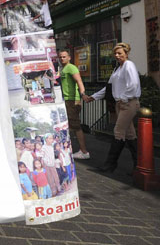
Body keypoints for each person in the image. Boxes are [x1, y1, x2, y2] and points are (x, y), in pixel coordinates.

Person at [83, 42, 141, 173]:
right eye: (115, 53)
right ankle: (138, 166)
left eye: (120, 53)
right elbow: (108, 88)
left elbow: (134, 84)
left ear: (126, 54)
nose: (117, 55)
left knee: (118, 132)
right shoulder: (117, 69)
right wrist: (93, 97)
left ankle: (110, 165)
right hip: (121, 104)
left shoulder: (128, 65)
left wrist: (123, 98)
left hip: (128, 103)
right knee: (130, 135)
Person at [58, 50, 90, 159]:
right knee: (69, 126)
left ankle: (84, 151)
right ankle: (68, 149)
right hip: (66, 100)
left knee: (75, 126)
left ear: (69, 57)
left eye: (64, 57)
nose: (62, 58)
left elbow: (79, 81)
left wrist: (83, 94)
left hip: (72, 100)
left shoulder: (71, 67)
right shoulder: (63, 69)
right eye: (60, 57)